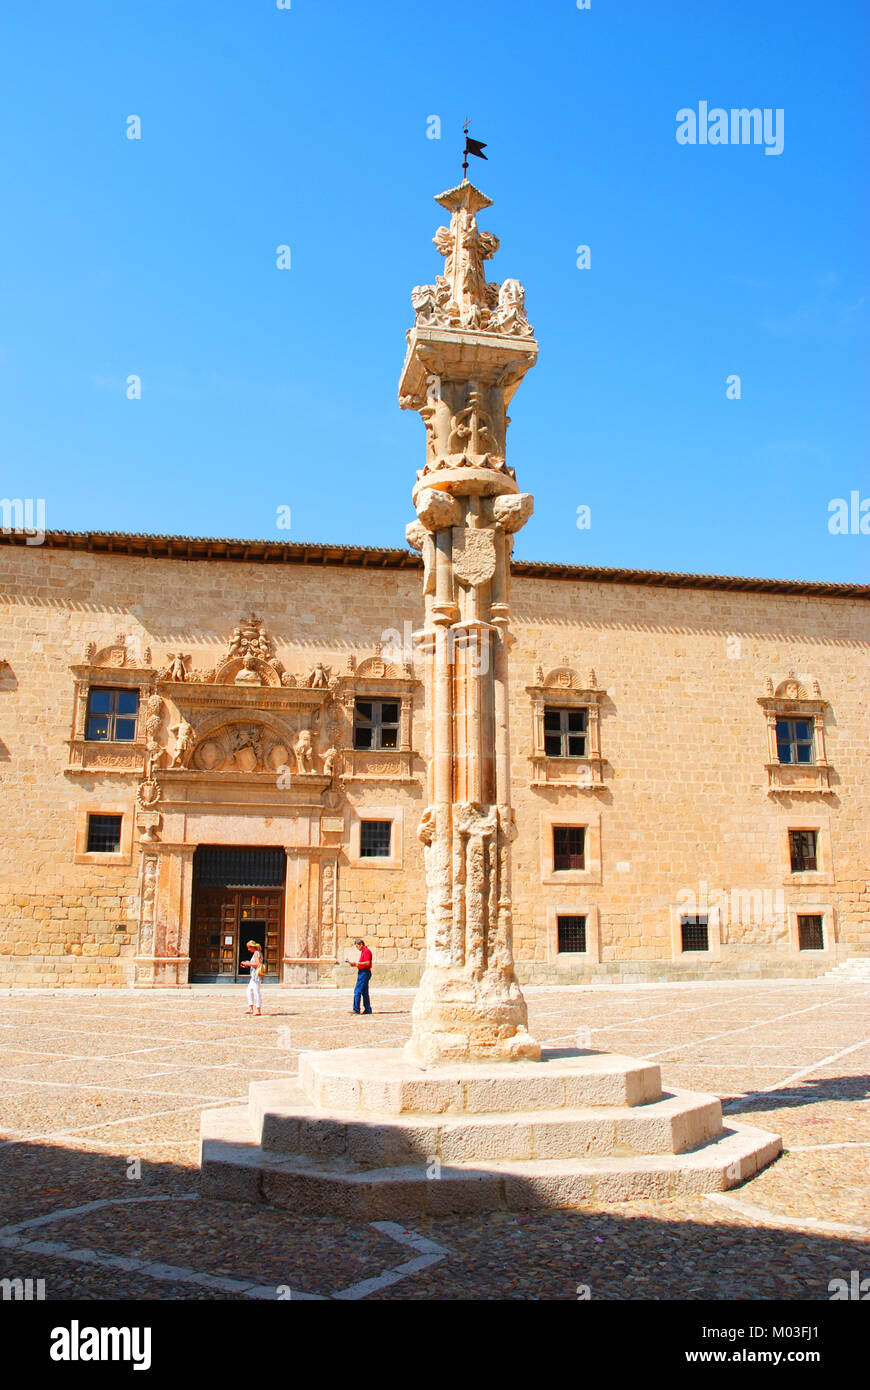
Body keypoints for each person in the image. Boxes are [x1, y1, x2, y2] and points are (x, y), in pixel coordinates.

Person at [240, 939, 264, 1016]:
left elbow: (258, 964)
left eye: (249, 947)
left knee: (256, 992)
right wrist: (248, 963)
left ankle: (258, 1009)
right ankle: (250, 1008)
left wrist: (248, 964)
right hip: (253, 976)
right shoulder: (256, 953)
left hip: (256, 976)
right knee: (249, 990)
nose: (248, 949)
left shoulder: (256, 953)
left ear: (252, 947)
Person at [350, 937, 373, 1015]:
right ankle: (368, 1009)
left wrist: (357, 964)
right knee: (364, 992)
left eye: (357, 946)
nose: (357, 948)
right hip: (364, 972)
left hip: (364, 973)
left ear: (361, 944)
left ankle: (356, 1009)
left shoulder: (366, 951)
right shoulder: (364, 951)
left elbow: (367, 963)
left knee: (357, 991)